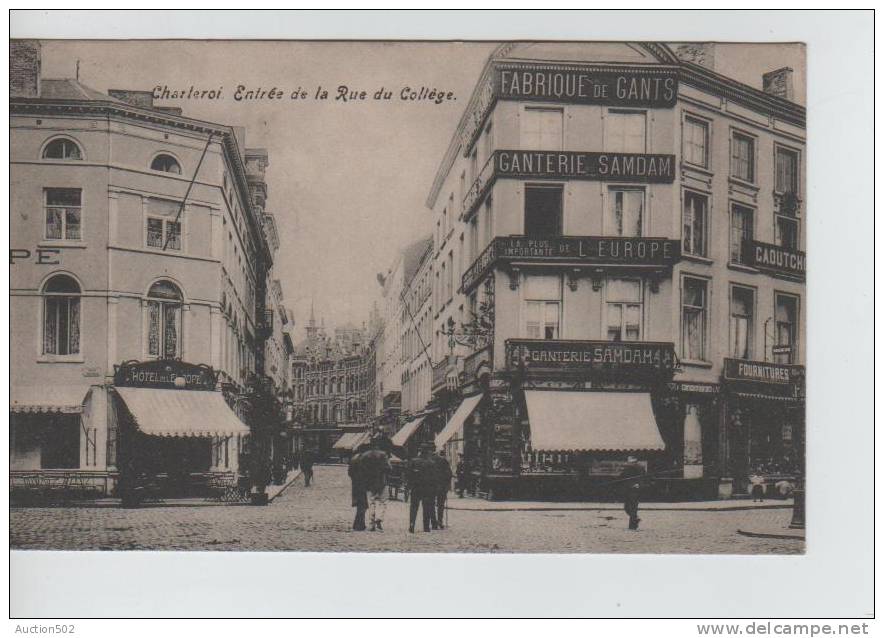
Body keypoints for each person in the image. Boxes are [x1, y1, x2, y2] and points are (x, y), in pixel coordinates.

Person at [406, 443, 438, 533]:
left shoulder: (413, 461)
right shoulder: (431, 463)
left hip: (416, 488)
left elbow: (408, 475)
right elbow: (434, 478)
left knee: (414, 507)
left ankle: (412, 525)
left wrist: (409, 486)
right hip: (427, 489)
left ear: (420, 450)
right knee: (426, 507)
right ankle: (426, 526)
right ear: (428, 452)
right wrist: (434, 489)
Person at [618, 456, 645, 531]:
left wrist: (638, 484)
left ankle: (632, 526)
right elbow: (622, 477)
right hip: (628, 490)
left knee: (632, 508)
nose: (629, 462)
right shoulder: (629, 468)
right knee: (627, 507)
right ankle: (635, 519)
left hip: (634, 490)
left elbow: (642, 478)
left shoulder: (639, 468)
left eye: (630, 461)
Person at [431, 449, 454, 528]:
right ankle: (440, 521)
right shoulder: (443, 460)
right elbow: (449, 474)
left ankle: (433, 522)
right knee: (440, 505)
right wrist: (447, 484)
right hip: (441, 486)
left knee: (431, 504)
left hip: (431, 486)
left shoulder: (428, 460)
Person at [348, 451, 369, 531]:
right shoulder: (363, 459)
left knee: (360, 504)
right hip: (362, 483)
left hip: (355, 483)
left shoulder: (354, 458)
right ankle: (359, 525)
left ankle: (360, 524)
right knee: (363, 504)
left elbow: (349, 472)